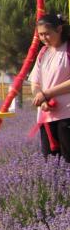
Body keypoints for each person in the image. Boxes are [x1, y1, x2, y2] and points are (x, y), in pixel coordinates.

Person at [30, 13, 70, 161]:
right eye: (40, 35)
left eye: (47, 34)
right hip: (46, 116)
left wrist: (46, 93)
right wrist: (41, 99)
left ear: (59, 29)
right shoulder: (43, 52)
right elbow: (35, 82)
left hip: (67, 115)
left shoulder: (68, 49)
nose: (43, 38)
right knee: (50, 161)